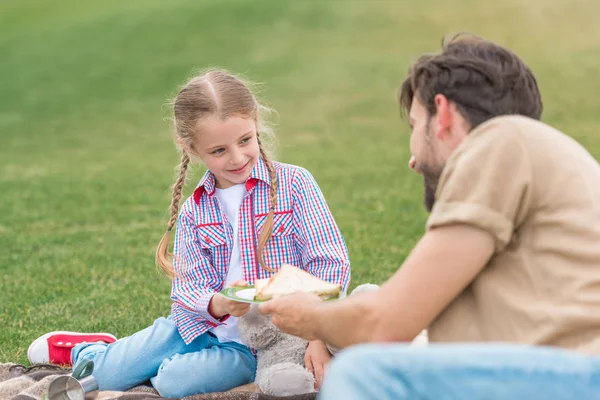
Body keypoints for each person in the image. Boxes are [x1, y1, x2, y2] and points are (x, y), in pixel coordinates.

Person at [259, 34, 600, 399]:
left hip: (575, 376)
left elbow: (385, 323)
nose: (413, 161)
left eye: (414, 125)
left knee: (364, 373)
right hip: (555, 371)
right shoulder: (536, 157)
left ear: (444, 115)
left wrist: (312, 317)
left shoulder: (499, 142)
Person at [27, 70, 350, 398]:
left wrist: (317, 336)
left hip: (252, 347)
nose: (237, 158)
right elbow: (187, 288)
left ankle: (154, 362)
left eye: (245, 140)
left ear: (256, 123)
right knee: (109, 374)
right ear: (191, 148)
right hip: (199, 327)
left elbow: (331, 263)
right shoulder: (196, 209)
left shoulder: (294, 184)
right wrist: (218, 302)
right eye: (219, 151)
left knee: (173, 382)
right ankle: (90, 351)